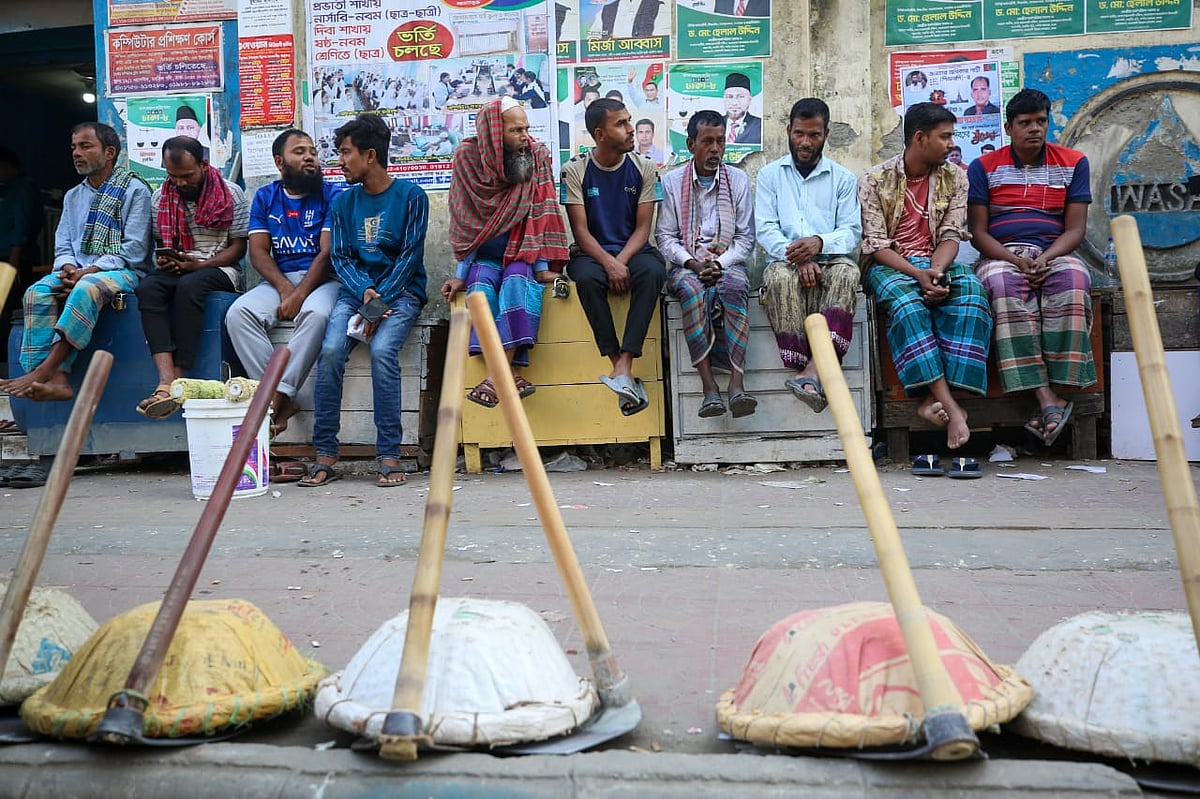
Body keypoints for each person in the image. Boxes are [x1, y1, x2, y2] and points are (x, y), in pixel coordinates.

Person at [299, 114, 428, 488]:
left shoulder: (412, 197)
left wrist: (379, 301)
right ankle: (325, 453)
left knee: (383, 351)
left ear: (370, 156)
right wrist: (366, 296)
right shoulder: (343, 203)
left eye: (345, 153)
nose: (340, 161)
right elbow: (340, 257)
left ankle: (388, 453)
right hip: (356, 293)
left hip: (402, 293)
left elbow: (410, 257)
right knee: (330, 351)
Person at [859, 102, 993, 450]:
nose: (951, 144)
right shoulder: (874, 180)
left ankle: (929, 401)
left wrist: (935, 271)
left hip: (938, 262)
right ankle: (951, 407)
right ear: (920, 138)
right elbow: (875, 245)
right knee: (909, 307)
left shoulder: (956, 177)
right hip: (892, 265)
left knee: (974, 297)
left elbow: (951, 234)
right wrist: (918, 275)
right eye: (944, 136)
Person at [968, 88, 1096, 447]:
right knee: (1002, 287)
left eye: (1041, 121)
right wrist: (1015, 260)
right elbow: (978, 233)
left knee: (1074, 279)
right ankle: (1045, 398)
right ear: (1009, 128)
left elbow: (1075, 229)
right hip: (1002, 255)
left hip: (1054, 252)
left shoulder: (1073, 163)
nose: (1034, 129)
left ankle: (1058, 390)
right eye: (1025, 123)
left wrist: (1045, 258)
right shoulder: (985, 167)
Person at [0, 123, 152, 403]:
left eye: (85, 146)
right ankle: (59, 382)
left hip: (122, 272)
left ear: (109, 153)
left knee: (86, 289)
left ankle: (46, 369)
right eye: (73, 147)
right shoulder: (73, 196)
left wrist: (90, 271)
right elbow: (63, 245)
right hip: (77, 271)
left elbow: (135, 250)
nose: (76, 153)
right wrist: (70, 268)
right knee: (36, 292)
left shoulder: (134, 191)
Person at [441, 98, 569, 408]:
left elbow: (539, 217)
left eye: (526, 129)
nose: (525, 137)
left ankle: (493, 379)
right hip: (484, 256)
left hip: (522, 252)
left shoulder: (535, 155)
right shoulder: (467, 158)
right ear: (493, 133)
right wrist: (460, 275)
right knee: (480, 290)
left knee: (516, 283)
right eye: (516, 131)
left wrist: (540, 266)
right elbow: (465, 223)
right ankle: (508, 373)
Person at [224, 129, 342, 438]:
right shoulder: (265, 197)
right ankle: (280, 396)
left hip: (324, 280)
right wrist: (285, 289)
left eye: (313, 152)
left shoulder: (333, 195)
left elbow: (327, 253)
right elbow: (259, 252)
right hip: (281, 280)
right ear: (280, 162)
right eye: (300, 152)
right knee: (238, 314)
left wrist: (300, 294)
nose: (309, 157)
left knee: (315, 315)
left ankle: (277, 396)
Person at [755, 98, 862, 413]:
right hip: (786, 262)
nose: (805, 142)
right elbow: (765, 230)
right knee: (776, 277)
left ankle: (813, 371)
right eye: (799, 133)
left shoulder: (842, 178)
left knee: (848, 273)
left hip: (830, 260)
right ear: (788, 130)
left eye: (814, 135)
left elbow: (851, 232)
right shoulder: (769, 175)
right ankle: (803, 363)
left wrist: (818, 243)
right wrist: (799, 256)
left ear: (826, 134)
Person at [561, 98, 665, 416]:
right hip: (591, 253)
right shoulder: (574, 170)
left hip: (633, 250)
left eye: (629, 120)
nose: (631, 128)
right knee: (589, 278)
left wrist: (620, 261)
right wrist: (608, 263)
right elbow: (580, 232)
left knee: (653, 271)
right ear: (600, 134)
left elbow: (644, 228)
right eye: (620, 124)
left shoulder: (645, 167)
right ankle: (615, 365)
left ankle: (624, 365)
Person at [135, 136, 248, 418]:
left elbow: (238, 248)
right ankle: (164, 380)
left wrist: (199, 265)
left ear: (203, 164)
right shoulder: (160, 197)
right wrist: (168, 260)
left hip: (221, 269)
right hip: (181, 266)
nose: (181, 183)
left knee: (190, 286)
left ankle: (179, 376)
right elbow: (163, 245)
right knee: (149, 288)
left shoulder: (231, 194)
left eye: (187, 176)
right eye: (173, 177)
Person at [657, 110, 756, 419]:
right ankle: (709, 387)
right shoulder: (672, 182)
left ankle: (737, 384)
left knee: (736, 286)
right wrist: (694, 264)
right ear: (691, 144)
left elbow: (745, 239)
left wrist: (720, 263)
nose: (715, 149)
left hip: (727, 263)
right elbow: (665, 237)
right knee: (690, 288)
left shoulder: (738, 180)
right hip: (687, 265)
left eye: (720, 141)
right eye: (707, 142)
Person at [0, 147, 44, 294]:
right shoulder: (11, 189)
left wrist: (12, 265)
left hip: (16, 259)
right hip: (10, 257)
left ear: (5, 166)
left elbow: (21, 229)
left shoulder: (23, 188)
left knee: (12, 305)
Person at [722, 72, 761, 145]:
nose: (734, 103)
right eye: (730, 97)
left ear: (750, 99)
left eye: (741, 97)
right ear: (724, 99)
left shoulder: (759, 126)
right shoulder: (714, 124)